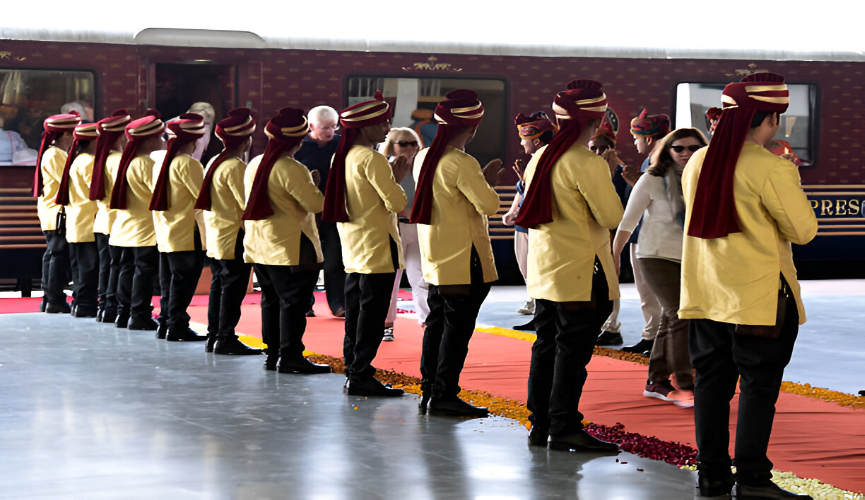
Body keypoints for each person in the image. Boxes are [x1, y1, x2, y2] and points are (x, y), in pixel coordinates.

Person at [681, 73, 817, 499]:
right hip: (758, 300)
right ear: (771, 119)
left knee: (711, 386)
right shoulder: (771, 167)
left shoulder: (699, 161)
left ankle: (712, 476)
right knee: (758, 389)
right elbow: (803, 230)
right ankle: (754, 480)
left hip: (705, 295)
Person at [516, 80, 623, 452]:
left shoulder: (540, 157)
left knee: (546, 345)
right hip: (580, 272)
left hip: (546, 269)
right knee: (572, 353)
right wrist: (609, 176)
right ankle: (564, 426)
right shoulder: (587, 162)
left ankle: (539, 422)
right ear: (595, 120)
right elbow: (611, 215)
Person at [411, 89, 502, 417]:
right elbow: (489, 205)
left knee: (437, 324)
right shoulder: (462, 162)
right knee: (457, 331)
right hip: (465, 258)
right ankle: (444, 394)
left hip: (436, 256)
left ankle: (429, 392)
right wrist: (489, 181)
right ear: (472, 128)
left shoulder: (424, 156)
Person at [612, 128, 708, 408]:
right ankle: (685, 384)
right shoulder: (652, 180)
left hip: (691, 257)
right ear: (667, 150)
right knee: (680, 314)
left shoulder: (704, 179)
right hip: (655, 256)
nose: (686, 154)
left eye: (693, 148)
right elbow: (628, 222)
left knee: (670, 318)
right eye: (679, 148)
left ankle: (655, 380)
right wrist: (614, 256)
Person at [323, 92, 409, 397]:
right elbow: (396, 202)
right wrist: (398, 177)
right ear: (365, 127)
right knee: (371, 316)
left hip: (354, 247)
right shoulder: (372, 159)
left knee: (357, 312)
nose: (386, 129)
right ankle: (360, 374)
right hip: (378, 247)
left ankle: (354, 369)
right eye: (383, 122)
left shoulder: (342, 156)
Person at [243, 107, 330, 374]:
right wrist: (315, 183)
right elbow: (316, 204)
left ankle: (273, 353)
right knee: (293, 303)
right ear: (298, 140)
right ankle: (291, 356)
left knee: (270, 301)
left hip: (260, 244)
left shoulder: (256, 162)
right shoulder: (292, 168)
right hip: (289, 246)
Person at [600, 109, 671, 351]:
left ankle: (661, 339)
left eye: (636, 138)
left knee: (659, 293)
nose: (634, 142)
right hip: (641, 233)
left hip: (657, 236)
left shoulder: (664, 162)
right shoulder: (648, 161)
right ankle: (651, 336)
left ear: (648, 139)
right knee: (646, 293)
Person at [196, 108, 261, 355]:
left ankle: (215, 335)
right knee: (231, 290)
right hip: (233, 235)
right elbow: (248, 203)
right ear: (246, 140)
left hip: (217, 234)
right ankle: (225, 337)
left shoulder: (215, 161)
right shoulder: (235, 167)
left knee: (220, 286)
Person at [149, 113, 208, 341]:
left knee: (169, 281)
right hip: (186, 231)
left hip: (166, 231)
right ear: (193, 142)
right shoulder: (188, 163)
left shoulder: (161, 161)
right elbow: (203, 197)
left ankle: (165, 323)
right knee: (183, 281)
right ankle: (177, 325)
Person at [109, 111, 165, 330]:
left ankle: (124, 314)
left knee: (127, 271)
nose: (162, 142)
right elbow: (159, 194)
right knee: (143, 272)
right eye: (160, 137)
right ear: (150, 140)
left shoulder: (127, 161)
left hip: (124, 228)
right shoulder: (145, 164)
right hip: (144, 229)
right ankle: (139, 315)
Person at [502, 112, 556, 331]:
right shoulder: (533, 162)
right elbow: (521, 189)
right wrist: (512, 211)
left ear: (536, 140)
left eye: (524, 138)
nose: (521, 143)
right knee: (527, 271)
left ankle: (543, 314)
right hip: (523, 223)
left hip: (537, 225)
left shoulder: (547, 160)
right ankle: (537, 309)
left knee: (537, 271)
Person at [295, 105, 345, 318]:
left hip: (333, 208)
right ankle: (305, 303)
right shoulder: (299, 146)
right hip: (306, 211)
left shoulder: (341, 144)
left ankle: (338, 304)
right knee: (307, 261)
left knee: (335, 259)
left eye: (333, 127)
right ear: (312, 126)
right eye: (325, 127)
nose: (330, 132)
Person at [380, 127, 429, 341]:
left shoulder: (423, 166)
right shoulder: (385, 167)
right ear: (392, 145)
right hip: (395, 226)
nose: (409, 148)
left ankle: (427, 320)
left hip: (418, 227)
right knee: (391, 280)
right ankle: (386, 324)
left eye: (413, 143)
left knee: (420, 276)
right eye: (403, 143)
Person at [33, 111, 81, 314]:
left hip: (53, 213)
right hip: (57, 214)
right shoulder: (55, 155)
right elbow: (69, 182)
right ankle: (54, 299)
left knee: (54, 255)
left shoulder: (54, 153)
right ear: (67, 135)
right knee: (57, 256)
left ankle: (50, 298)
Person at [588, 121, 629, 341]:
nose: (598, 153)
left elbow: (621, 207)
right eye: (593, 148)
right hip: (590, 234)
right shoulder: (585, 169)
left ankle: (612, 326)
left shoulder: (621, 173)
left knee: (610, 280)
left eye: (603, 148)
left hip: (612, 233)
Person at [89, 109, 132, 323]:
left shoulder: (103, 157)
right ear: (121, 135)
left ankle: (105, 308)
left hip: (102, 221)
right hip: (115, 221)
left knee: (107, 266)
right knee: (116, 266)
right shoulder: (117, 159)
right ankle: (111, 307)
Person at [55, 123, 100, 317]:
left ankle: (79, 304)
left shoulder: (76, 159)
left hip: (77, 221)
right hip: (87, 221)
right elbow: (96, 191)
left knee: (79, 268)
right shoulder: (88, 161)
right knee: (88, 268)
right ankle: (85, 305)